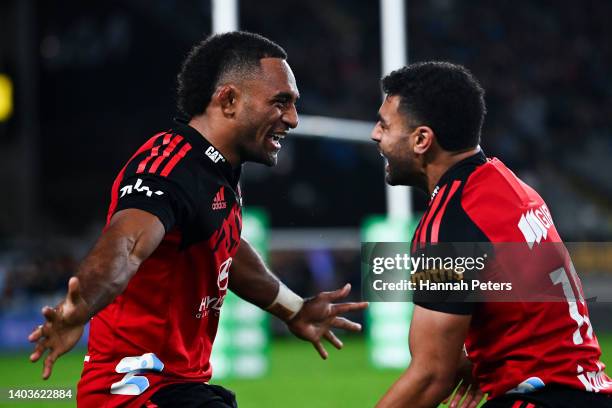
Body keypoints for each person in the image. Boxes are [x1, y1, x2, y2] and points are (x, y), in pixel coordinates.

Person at [28, 31, 368, 408]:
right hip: (133, 391)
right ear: (229, 100)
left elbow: (227, 251)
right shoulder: (168, 168)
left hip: (176, 388)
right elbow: (125, 245)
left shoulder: (215, 170)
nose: (292, 118)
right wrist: (81, 306)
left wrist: (294, 308)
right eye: (280, 102)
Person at [371, 61, 612, 408]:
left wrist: (447, 368)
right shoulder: (509, 187)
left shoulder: (448, 224)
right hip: (586, 391)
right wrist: (485, 360)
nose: (375, 135)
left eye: (384, 125)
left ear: (422, 139)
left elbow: (429, 378)